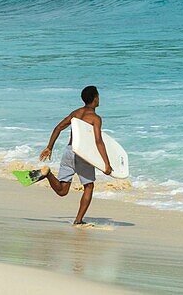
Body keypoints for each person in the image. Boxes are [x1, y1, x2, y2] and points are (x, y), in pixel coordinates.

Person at [15, 85, 111, 227]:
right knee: (89, 186)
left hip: (69, 151)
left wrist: (49, 147)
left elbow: (58, 127)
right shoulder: (95, 118)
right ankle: (78, 220)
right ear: (95, 98)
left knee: (62, 190)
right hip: (82, 155)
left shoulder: (75, 113)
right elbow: (98, 141)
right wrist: (106, 164)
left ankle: (47, 174)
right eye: (98, 96)